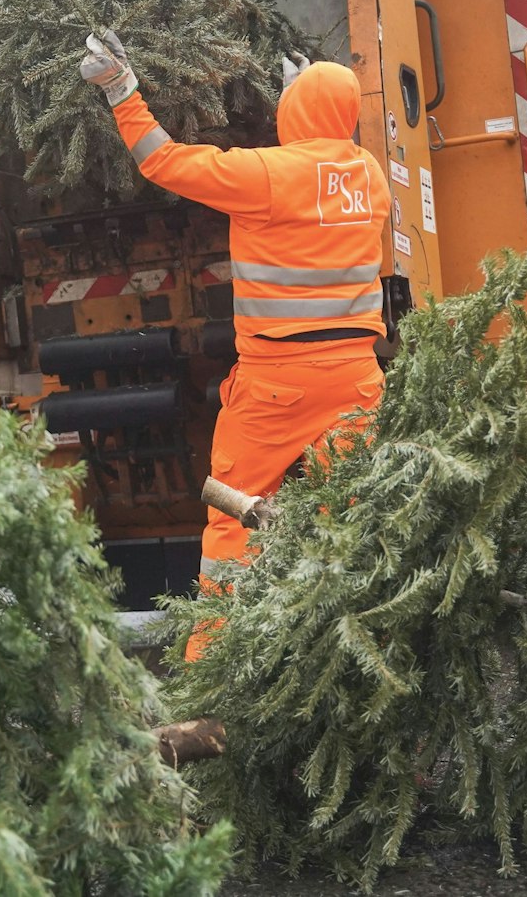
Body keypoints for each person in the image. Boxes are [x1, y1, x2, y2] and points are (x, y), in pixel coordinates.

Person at [82, 33, 390, 659]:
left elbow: (162, 160)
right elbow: (328, 158)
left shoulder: (266, 175)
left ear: (293, 114)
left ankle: (213, 667)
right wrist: (308, 96)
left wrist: (122, 91)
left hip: (278, 382)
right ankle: (360, 654)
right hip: (357, 379)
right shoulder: (372, 178)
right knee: (358, 518)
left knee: (234, 516)